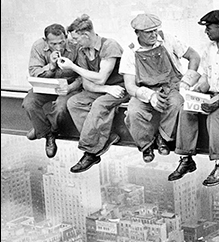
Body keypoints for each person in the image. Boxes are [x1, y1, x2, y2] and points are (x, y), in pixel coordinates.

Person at [167, 10, 219, 187]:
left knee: (214, 116)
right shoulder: (210, 49)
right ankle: (186, 158)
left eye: (209, 28)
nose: (206, 32)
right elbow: (206, 77)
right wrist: (196, 91)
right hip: (212, 93)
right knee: (186, 109)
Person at [120, 13, 201, 163]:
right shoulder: (130, 52)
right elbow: (130, 86)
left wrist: (186, 82)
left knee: (176, 104)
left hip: (171, 86)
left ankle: (163, 138)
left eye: (155, 30)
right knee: (133, 112)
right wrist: (149, 96)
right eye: (148, 32)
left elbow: (194, 56)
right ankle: (146, 145)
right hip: (145, 90)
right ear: (137, 33)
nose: (153, 34)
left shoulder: (167, 39)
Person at [59, 14, 128, 173]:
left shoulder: (109, 46)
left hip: (121, 88)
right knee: (74, 102)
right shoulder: (83, 51)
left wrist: (73, 67)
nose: (75, 43)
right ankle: (106, 137)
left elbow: (100, 77)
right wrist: (106, 89)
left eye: (76, 39)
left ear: (86, 35)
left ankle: (90, 152)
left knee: (99, 105)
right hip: (106, 89)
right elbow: (87, 82)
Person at [23, 23, 82, 158]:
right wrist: (51, 66)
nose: (59, 47)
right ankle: (47, 134)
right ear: (46, 41)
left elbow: (82, 74)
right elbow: (34, 72)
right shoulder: (38, 46)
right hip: (45, 85)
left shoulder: (76, 46)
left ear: (66, 37)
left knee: (61, 108)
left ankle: (41, 128)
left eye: (61, 42)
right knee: (29, 103)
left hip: (68, 85)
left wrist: (70, 87)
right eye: (53, 44)